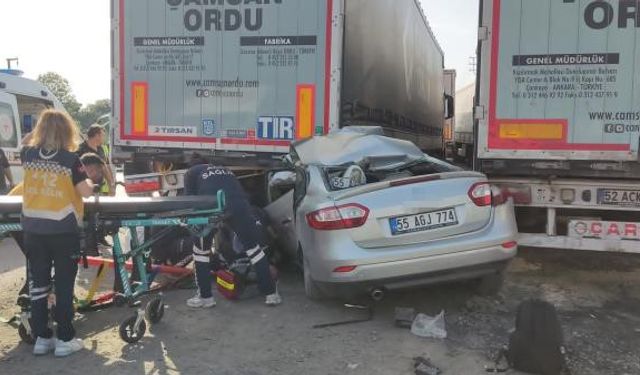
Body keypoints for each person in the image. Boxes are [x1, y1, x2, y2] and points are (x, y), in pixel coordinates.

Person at [21, 109, 94, 357]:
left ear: (40, 130)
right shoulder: (69, 159)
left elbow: (26, 141)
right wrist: (91, 182)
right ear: (67, 131)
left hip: (32, 229)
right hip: (62, 230)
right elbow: (85, 192)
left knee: (38, 284)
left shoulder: (28, 155)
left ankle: (42, 337)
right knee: (63, 284)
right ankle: (65, 338)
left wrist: (38, 134)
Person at [184, 157, 282, 307]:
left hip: (212, 207)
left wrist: (192, 222)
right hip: (239, 206)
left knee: (201, 252)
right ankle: (271, 295)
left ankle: (206, 298)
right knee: (254, 250)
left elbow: (190, 200)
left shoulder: (192, 171)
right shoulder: (226, 170)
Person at [77, 124, 114, 196]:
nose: (104, 138)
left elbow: (106, 166)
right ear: (97, 135)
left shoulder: (102, 149)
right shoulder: (80, 150)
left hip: (102, 189)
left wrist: (111, 185)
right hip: (86, 189)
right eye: (103, 135)